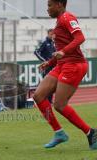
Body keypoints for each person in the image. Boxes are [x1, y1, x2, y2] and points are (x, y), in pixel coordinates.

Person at [33, 0, 97, 150]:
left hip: (74, 65)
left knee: (59, 105)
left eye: (50, 5)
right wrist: (49, 62)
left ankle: (91, 132)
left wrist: (63, 52)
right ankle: (59, 133)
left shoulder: (67, 18)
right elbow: (61, 49)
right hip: (62, 65)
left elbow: (80, 38)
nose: (47, 9)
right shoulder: (59, 21)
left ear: (60, 5)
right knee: (38, 96)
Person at [34, 29, 56, 103]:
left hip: (53, 66)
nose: (52, 36)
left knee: (52, 85)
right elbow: (36, 52)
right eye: (51, 34)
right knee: (47, 85)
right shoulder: (44, 42)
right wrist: (44, 61)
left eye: (53, 34)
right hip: (47, 67)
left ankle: (50, 101)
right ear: (48, 34)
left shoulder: (53, 43)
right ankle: (45, 100)